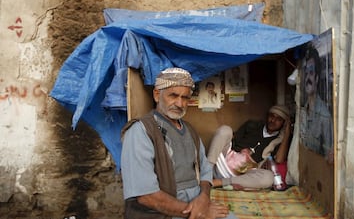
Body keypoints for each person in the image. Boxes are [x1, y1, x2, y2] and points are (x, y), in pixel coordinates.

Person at [121, 67, 237, 219]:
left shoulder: (190, 131)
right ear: (157, 95)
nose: (180, 103)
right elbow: (147, 196)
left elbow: (206, 171)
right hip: (163, 213)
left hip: (196, 204)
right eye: (173, 96)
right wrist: (198, 213)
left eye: (185, 98)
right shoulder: (140, 131)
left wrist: (203, 199)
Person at [207, 105, 292, 190]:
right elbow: (234, 140)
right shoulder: (252, 125)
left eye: (278, 119)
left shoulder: (278, 141)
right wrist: (241, 152)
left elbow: (279, 159)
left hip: (243, 175)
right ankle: (206, 173)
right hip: (225, 160)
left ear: (284, 123)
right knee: (225, 130)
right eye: (271, 116)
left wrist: (287, 134)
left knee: (269, 177)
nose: (273, 120)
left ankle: (219, 182)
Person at [299, 44, 333, 163]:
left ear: (317, 78)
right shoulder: (303, 109)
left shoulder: (324, 116)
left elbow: (328, 156)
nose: (308, 78)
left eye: (312, 72)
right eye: (306, 73)